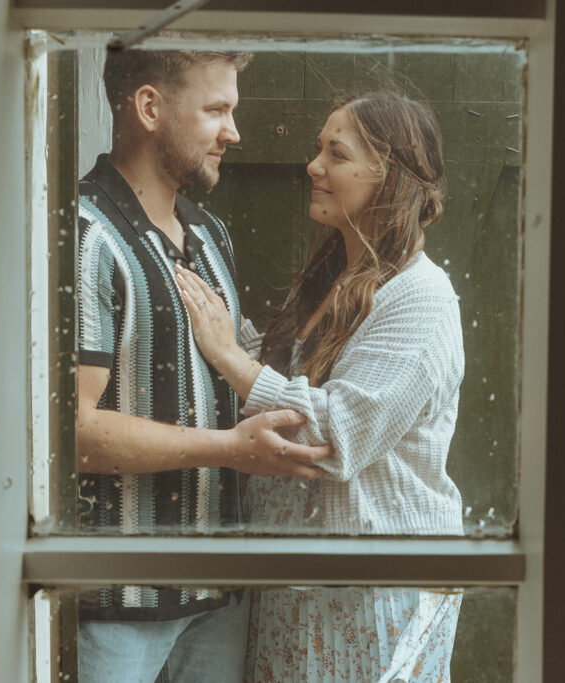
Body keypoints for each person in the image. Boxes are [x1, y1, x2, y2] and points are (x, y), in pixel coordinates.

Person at [176, 91, 465, 682]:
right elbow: (281, 376)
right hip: (302, 589)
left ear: (390, 178)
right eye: (318, 149)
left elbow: (334, 432)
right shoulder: (335, 278)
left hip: (381, 595)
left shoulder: (422, 299)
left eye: (336, 153)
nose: (314, 166)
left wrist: (230, 356)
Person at [74, 47, 330, 683]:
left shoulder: (211, 236)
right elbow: (68, 433)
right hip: (117, 604)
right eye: (216, 110)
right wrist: (228, 447)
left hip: (217, 597)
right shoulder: (84, 237)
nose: (233, 132)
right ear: (150, 108)